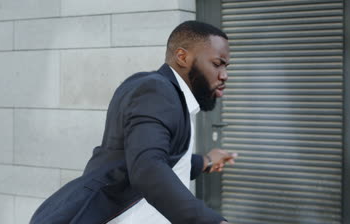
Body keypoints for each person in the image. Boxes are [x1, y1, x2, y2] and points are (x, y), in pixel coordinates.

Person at [30, 21, 237, 224]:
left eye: (226, 66)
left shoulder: (169, 95)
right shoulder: (157, 92)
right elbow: (148, 168)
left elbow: (152, 156)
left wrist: (206, 161)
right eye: (217, 64)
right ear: (182, 57)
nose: (224, 75)